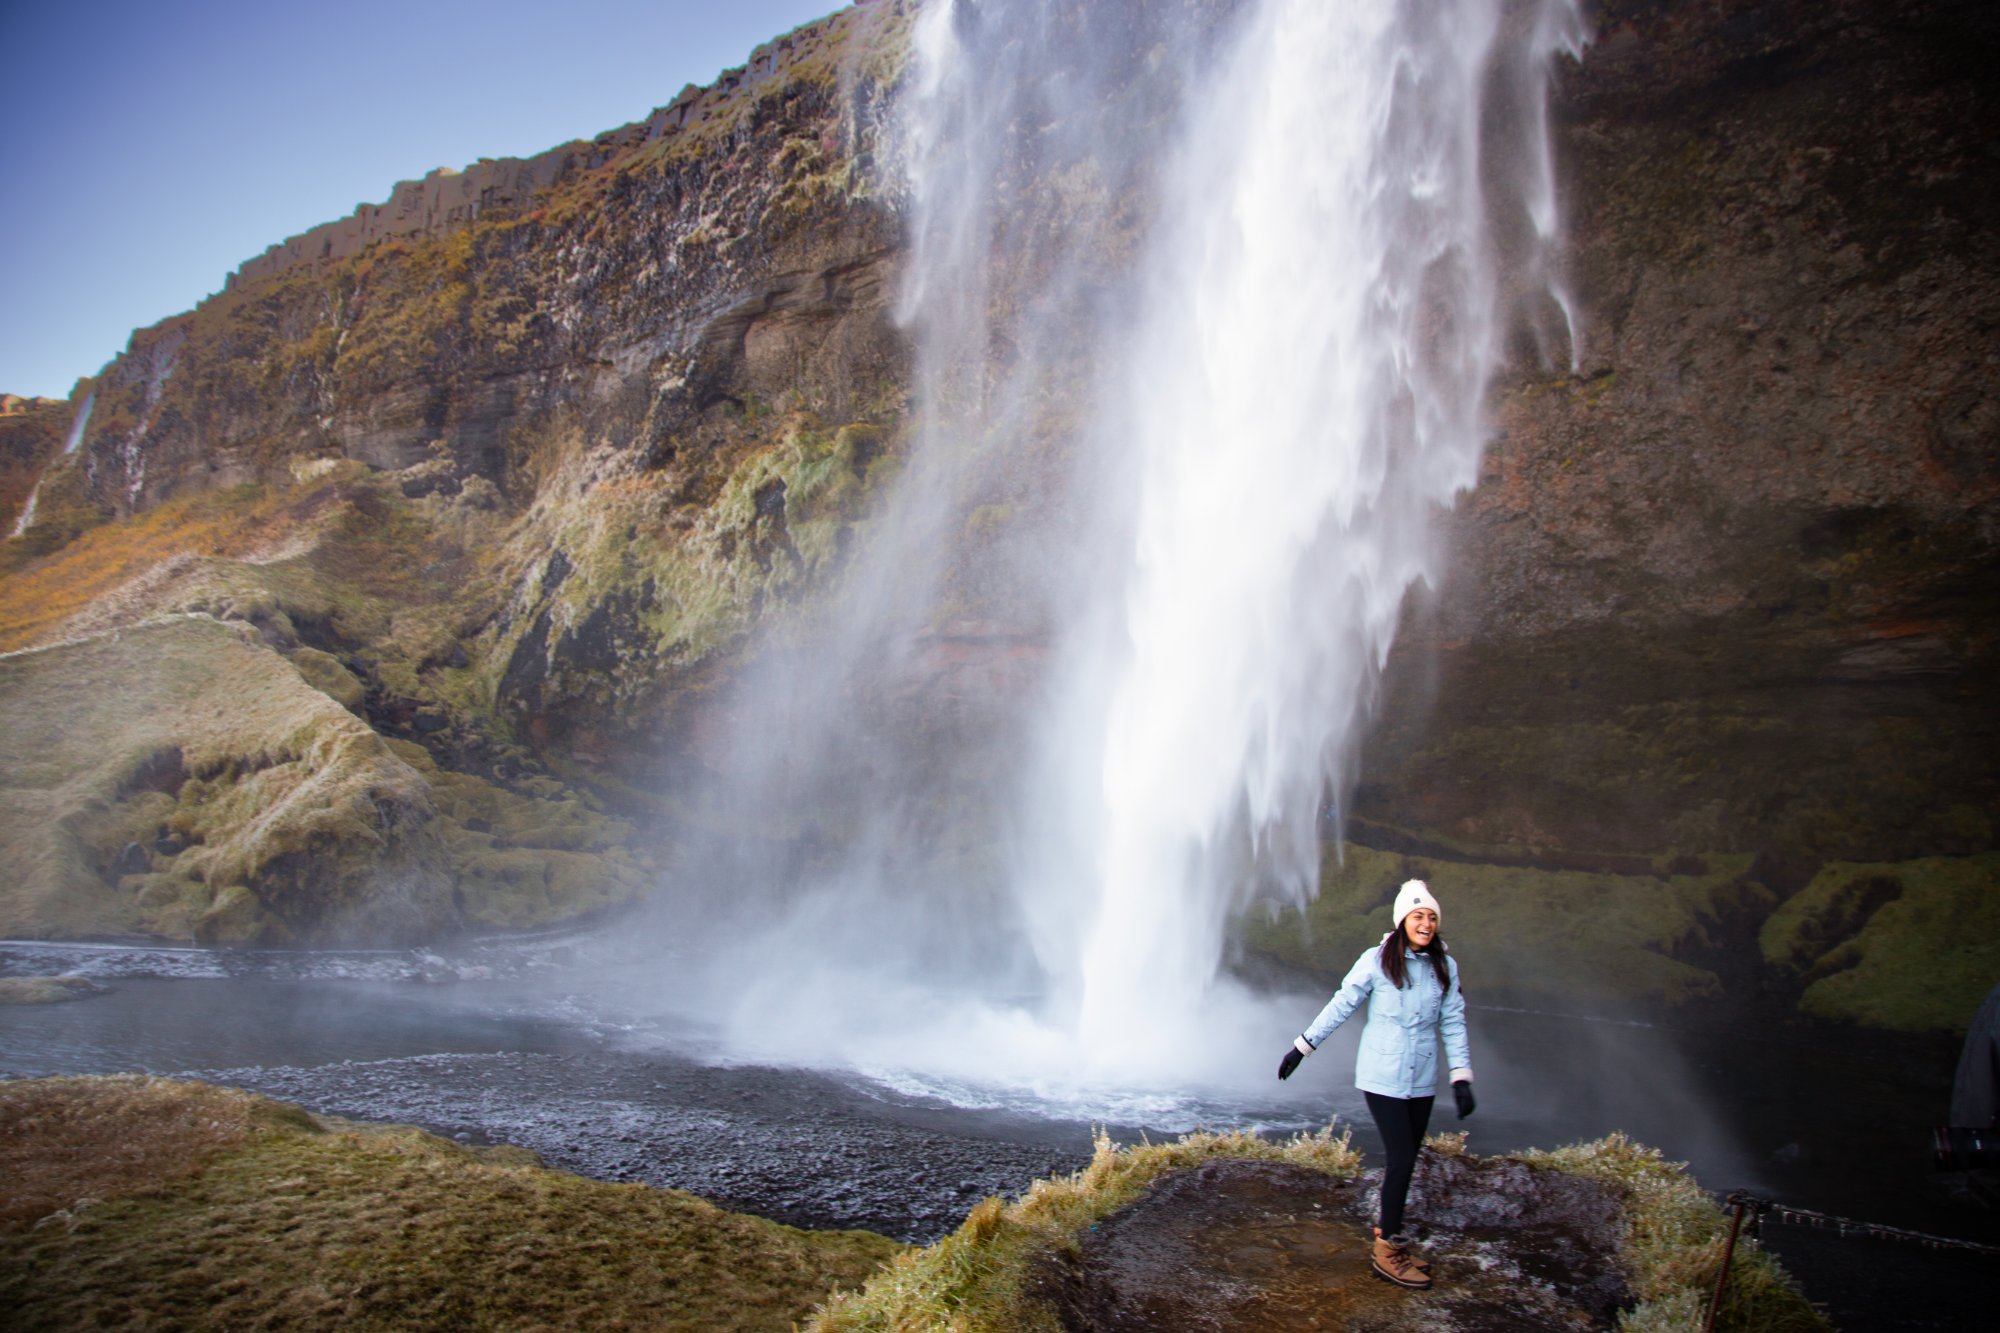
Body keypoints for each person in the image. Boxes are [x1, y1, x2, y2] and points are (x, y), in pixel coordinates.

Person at [1277, 878, 1474, 1290]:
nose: (1426, 923)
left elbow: (1453, 1021)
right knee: (1401, 1157)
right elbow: (1343, 1002)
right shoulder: (1377, 959)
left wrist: (1460, 1077)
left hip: (1421, 1078)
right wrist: (1302, 1046)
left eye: (1432, 917)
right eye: (1418, 916)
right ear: (1402, 920)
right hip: (1381, 1075)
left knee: (1408, 1159)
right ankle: (1387, 1251)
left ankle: (1392, 1237)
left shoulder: (1444, 967)